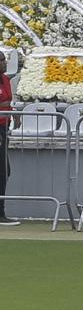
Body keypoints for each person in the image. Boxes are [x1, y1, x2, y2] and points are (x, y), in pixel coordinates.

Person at [0, 58, 16, 227]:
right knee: (2, 171)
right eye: (1, 60)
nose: (4, 63)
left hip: (4, 128)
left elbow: (7, 102)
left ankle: (1, 211)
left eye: (4, 60)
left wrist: (14, 114)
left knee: (5, 171)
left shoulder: (6, 79)